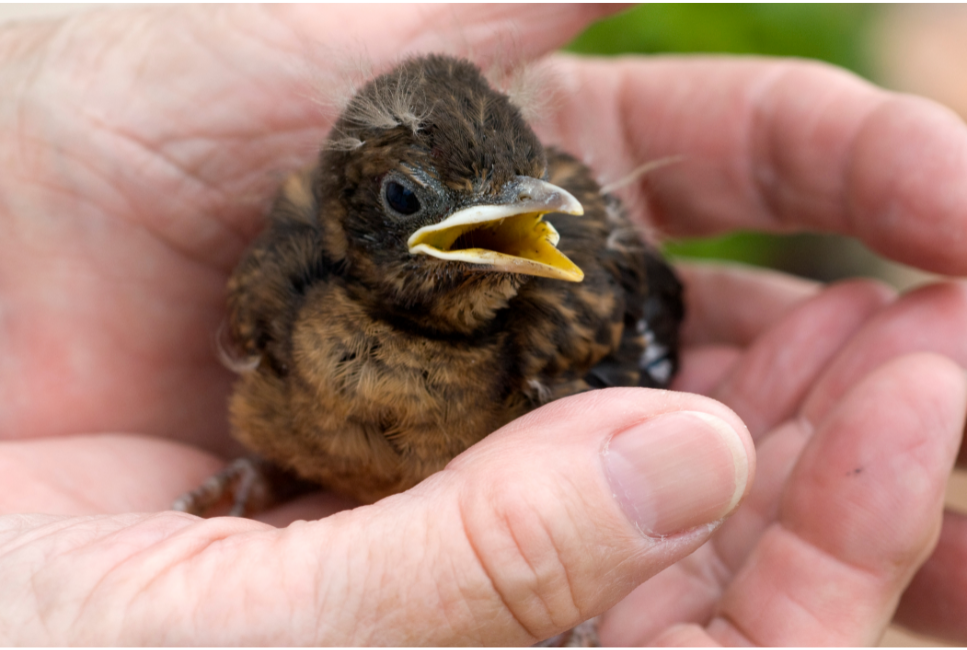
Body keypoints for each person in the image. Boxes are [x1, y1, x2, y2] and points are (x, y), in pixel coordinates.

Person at [2, 4, 967, 645]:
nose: (523, 220)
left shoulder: (554, 320)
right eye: (406, 198)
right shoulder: (285, 287)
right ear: (348, 215)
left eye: (517, 195)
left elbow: (638, 341)